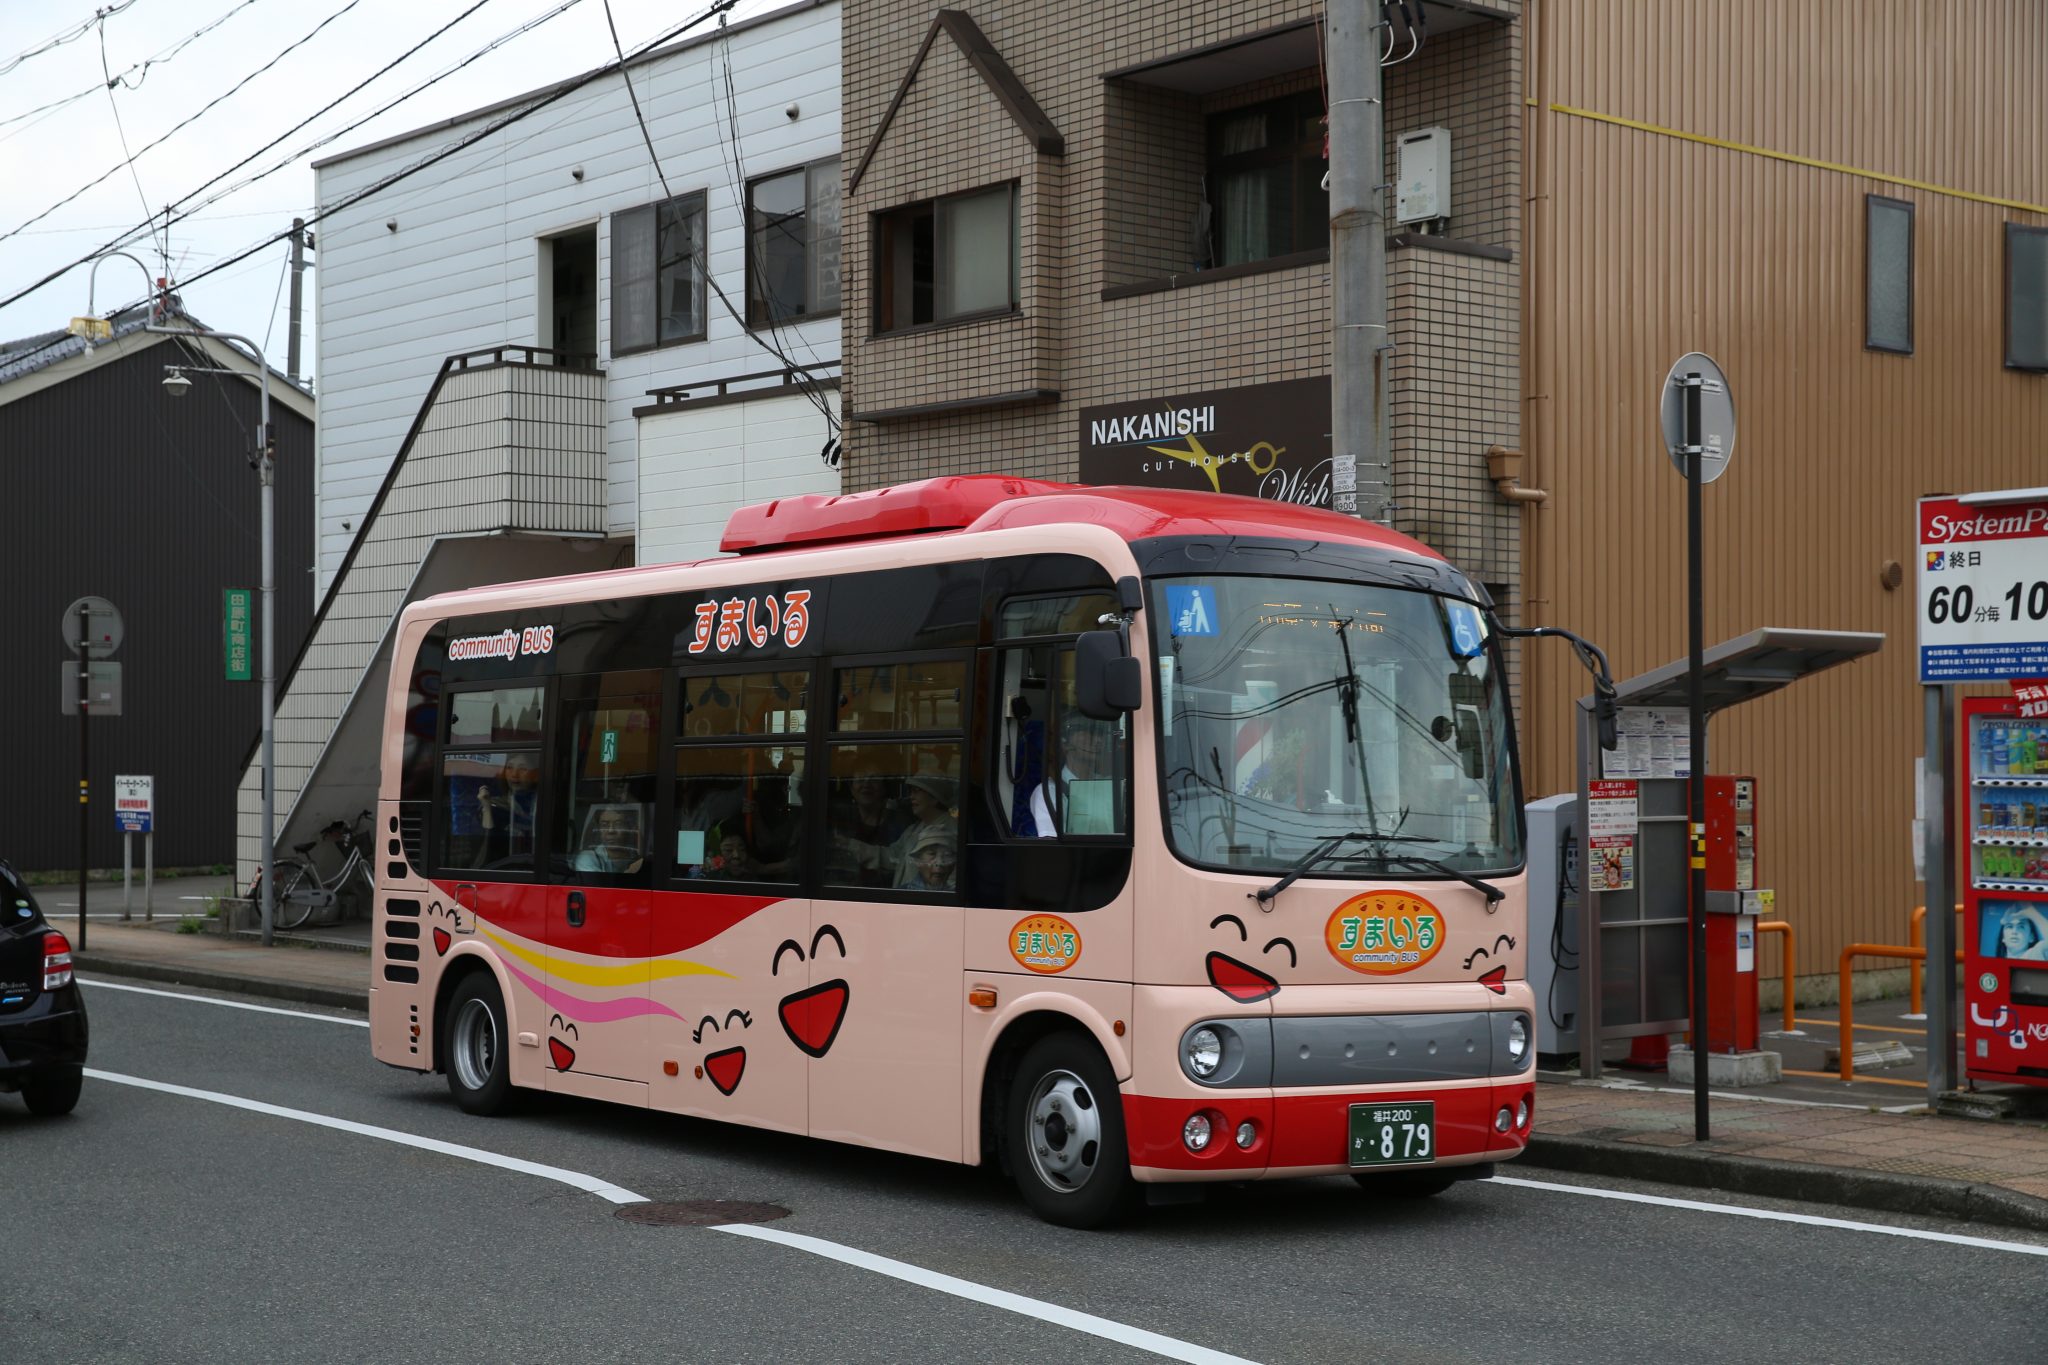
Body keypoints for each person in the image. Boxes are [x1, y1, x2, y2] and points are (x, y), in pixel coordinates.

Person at [1028, 714, 1117, 837]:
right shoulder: (1048, 792)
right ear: (1065, 743)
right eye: (1088, 734)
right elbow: (1053, 844)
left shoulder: (1110, 785)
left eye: (1100, 734)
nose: (1098, 740)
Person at [473, 753, 540, 867]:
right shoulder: (495, 805)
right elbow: (488, 843)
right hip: (499, 870)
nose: (514, 775)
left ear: (536, 774)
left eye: (523, 768)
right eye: (509, 767)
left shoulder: (542, 805)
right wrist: (487, 807)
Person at [574, 806, 645, 874]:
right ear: (599, 829)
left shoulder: (635, 855)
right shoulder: (587, 858)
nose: (611, 830)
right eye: (604, 825)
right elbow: (598, 885)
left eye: (618, 824)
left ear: (630, 828)